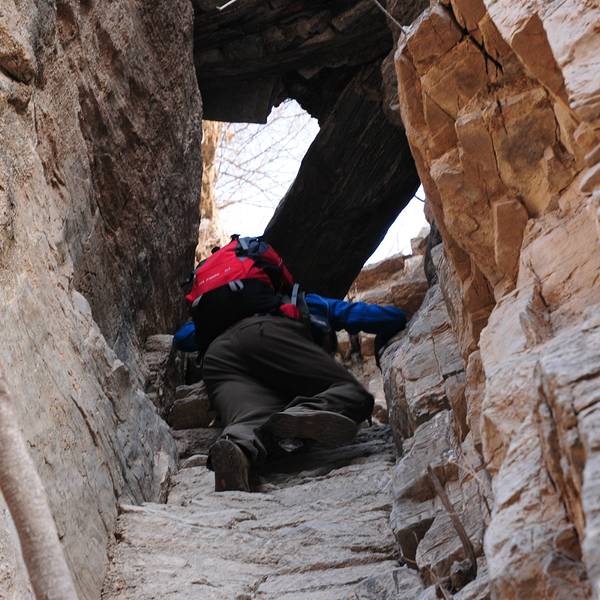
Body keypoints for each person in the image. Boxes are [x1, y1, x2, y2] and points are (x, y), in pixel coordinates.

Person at [179, 235, 406, 492]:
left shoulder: (212, 322)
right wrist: (399, 319)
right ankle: (301, 414)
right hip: (268, 334)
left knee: (249, 419)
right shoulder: (298, 302)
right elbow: (373, 316)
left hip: (217, 360)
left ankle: (237, 450)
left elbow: (182, 339)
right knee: (352, 394)